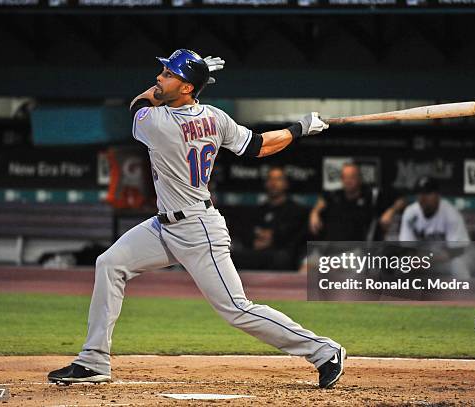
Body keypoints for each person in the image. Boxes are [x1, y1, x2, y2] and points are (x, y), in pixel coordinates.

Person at [47, 49, 345, 389]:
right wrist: (299, 128)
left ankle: (324, 351)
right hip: (164, 226)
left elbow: (139, 103)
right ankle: (93, 361)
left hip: (197, 229)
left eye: (169, 74)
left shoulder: (158, 123)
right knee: (109, 264)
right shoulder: (215, 118)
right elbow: (259, 145)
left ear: (187, 87)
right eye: (163, 72)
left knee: (236, 308)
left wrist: (191, 79)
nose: (159, 78)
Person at [231, 166, 308, 270]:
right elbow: (246, 232)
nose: (273, 183)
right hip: (255, 254)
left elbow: (294, 237)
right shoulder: (258, 210)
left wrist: (273, 238)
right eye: (271, 179)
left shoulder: (295, 210)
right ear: (266, 183)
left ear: (286, 184)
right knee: (232, 257)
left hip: (281, 256)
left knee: (281, 258)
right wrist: (254, 241)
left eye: (278, 179)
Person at [309, 162, 405, 241]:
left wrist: (391, 211)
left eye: (352, 177)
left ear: (359, 178)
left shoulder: (372, 196)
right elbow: (322, 201)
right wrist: (315, 212)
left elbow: (401, 201)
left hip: (358, 250)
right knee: (306, 264)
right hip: (331, 249)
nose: (348, 181)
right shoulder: (335, 195)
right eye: (345, 177)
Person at [399, 176, 469, 242]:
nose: (423, 198)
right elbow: (406, 245)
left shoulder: (451, 214)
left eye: (427, 193)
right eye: (420, 193)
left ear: (438, 195)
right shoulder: (411, 213)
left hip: (450, 254)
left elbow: (459, 248)